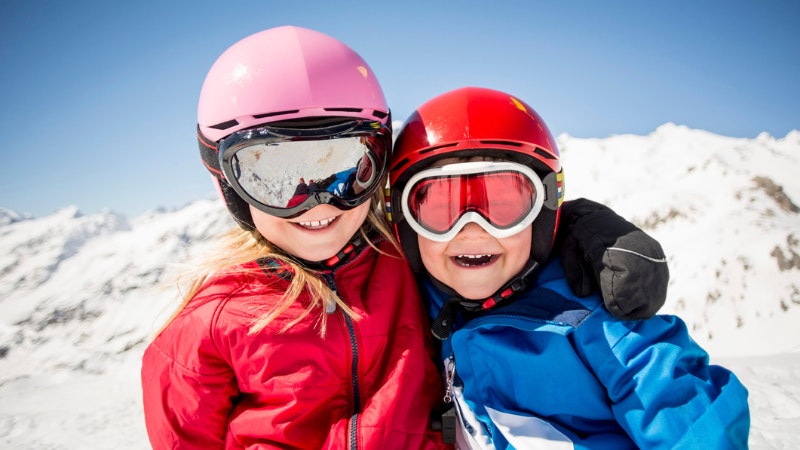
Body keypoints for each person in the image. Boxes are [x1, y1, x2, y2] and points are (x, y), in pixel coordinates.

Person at [140, 26, 668, 449]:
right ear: (225, 181)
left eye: (345, 167)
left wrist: (582, 226)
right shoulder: (208, 327)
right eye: (275, 177)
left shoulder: (407, 255)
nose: (319, 201)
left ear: (380, 160)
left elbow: (489, 234)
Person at [387, 86, 750, 449]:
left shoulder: (591, 317)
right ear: (405, 220)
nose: (471, 230)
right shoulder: (416, 304)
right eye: (439, 208)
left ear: (543, 213)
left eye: (503, 206)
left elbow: (683, 409)